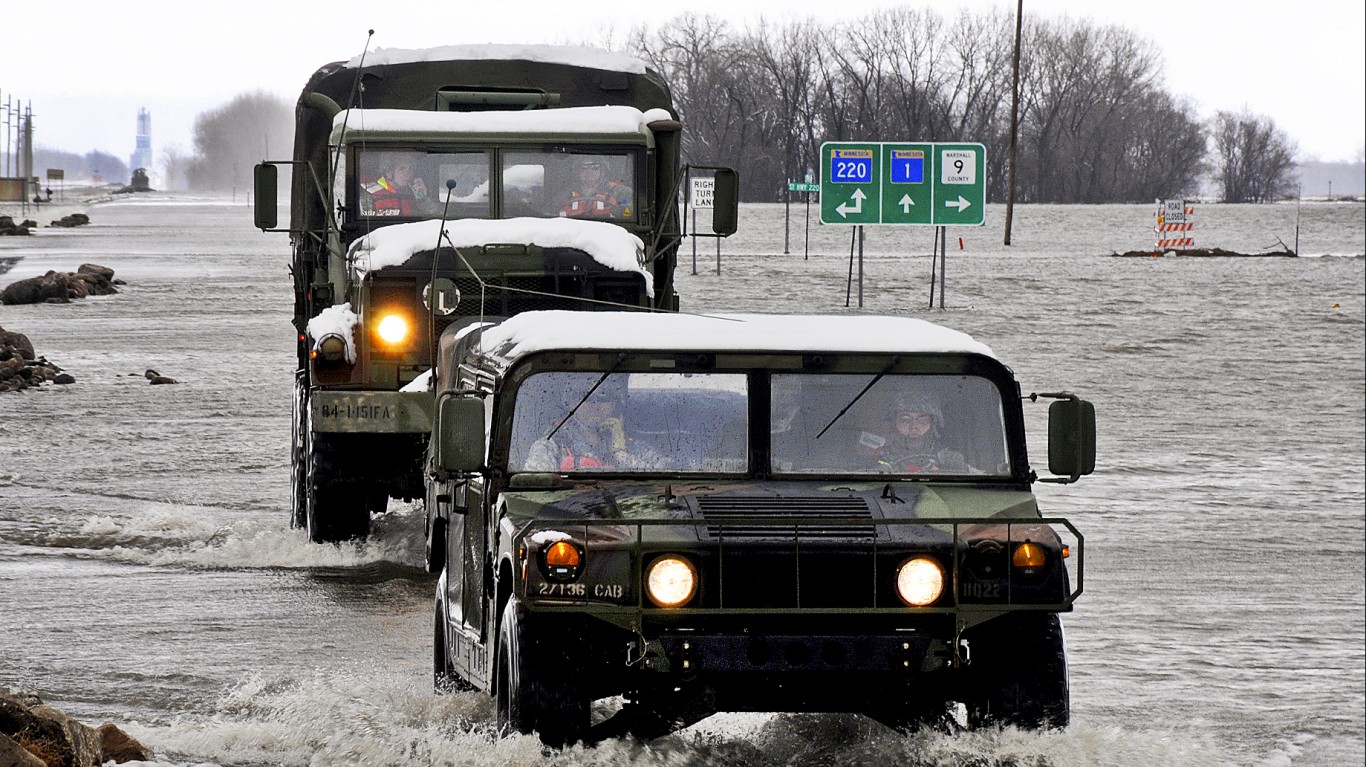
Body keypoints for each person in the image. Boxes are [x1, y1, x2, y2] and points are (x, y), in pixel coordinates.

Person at [524, 381, 653, 471]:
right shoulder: (551, 447)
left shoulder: (633, 447)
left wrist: (621, 453)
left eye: (603, 398)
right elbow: (533, 490)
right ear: (572, 405)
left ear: (613, 404)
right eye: (586, 398)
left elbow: (665, 477)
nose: (595, 406)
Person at [861, 393, 971, 473]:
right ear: (894, 424)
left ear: (932, 425)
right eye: (905, 420)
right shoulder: (878, 457)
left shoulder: (950, 460)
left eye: (922, 420)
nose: (914, 426)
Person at [557, 158, 633, 219]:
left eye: (595, 167)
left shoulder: (619, 192)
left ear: (602, 171)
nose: (589, 171)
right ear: (577, 172)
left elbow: (629, 208)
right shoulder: (565, 194)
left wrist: (618, 209)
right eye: (584, 168)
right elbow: (550, 212)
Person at [361, 156, 433, 216]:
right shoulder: (370, 193)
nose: (408, 174)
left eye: (411, 169)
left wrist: (423, 198)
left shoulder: (413, 193)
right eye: (402, 169)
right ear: (388, 172)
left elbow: (430, 219)